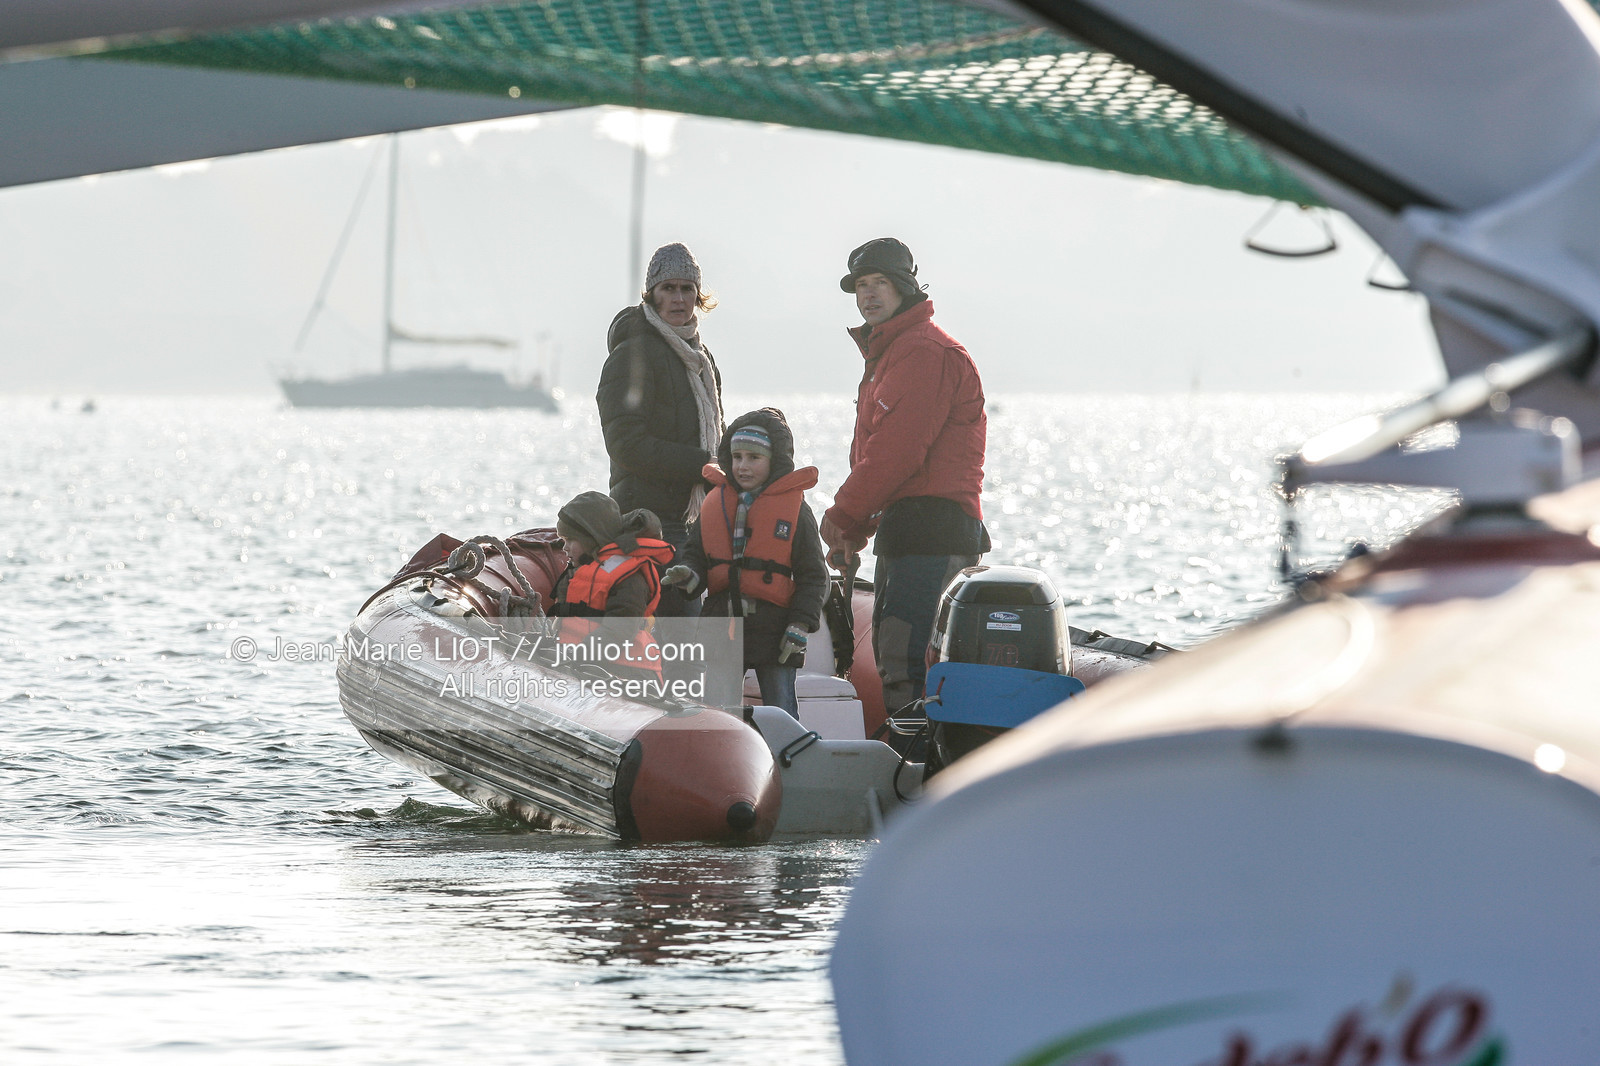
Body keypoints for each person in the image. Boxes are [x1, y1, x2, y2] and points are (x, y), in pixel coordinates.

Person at [820, 237, 990, 724]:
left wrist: (842, 517)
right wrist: (857, 527)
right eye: (860, 286)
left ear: (905, 287)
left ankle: (920, 776)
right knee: (901, 660)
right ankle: (914, 767)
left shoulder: (922, 351)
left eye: (880, 283)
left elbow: (896, 452)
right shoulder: (895, 353)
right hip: (910, 528)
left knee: (908, 663)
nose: (868, 295)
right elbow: (884, 457)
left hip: (932, 532)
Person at [662, 409, 828, 718]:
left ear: (774, 460)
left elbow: (814, 576)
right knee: (718, 712)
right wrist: (689, 576)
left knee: (781, 710)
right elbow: (695, 554)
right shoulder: (714, 504)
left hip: (776, 630)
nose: (743, 466)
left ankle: (785, 758)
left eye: (754, 457)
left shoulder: (796, 511)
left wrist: (800, 624)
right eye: (737, 457)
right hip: (721, 628)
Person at [596, 242, 725, 615]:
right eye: (668, 288)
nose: (679, 298)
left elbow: (718, 429)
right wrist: (703, 464)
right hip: (649, 519)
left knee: (693, 630)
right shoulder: (632, 353)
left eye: (687, 289)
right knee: (677, 631)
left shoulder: (701, 358)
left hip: (697, 518)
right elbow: (625, 443)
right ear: (651, 294)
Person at [550, 491, 675, 680]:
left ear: (592, 538)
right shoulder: (580, 570)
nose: (564, 547)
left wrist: (579, 655)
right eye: (563, 540)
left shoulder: (629, 578)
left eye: (570, 540)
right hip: (585, 662)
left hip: (628, 670)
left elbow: (620, 629)